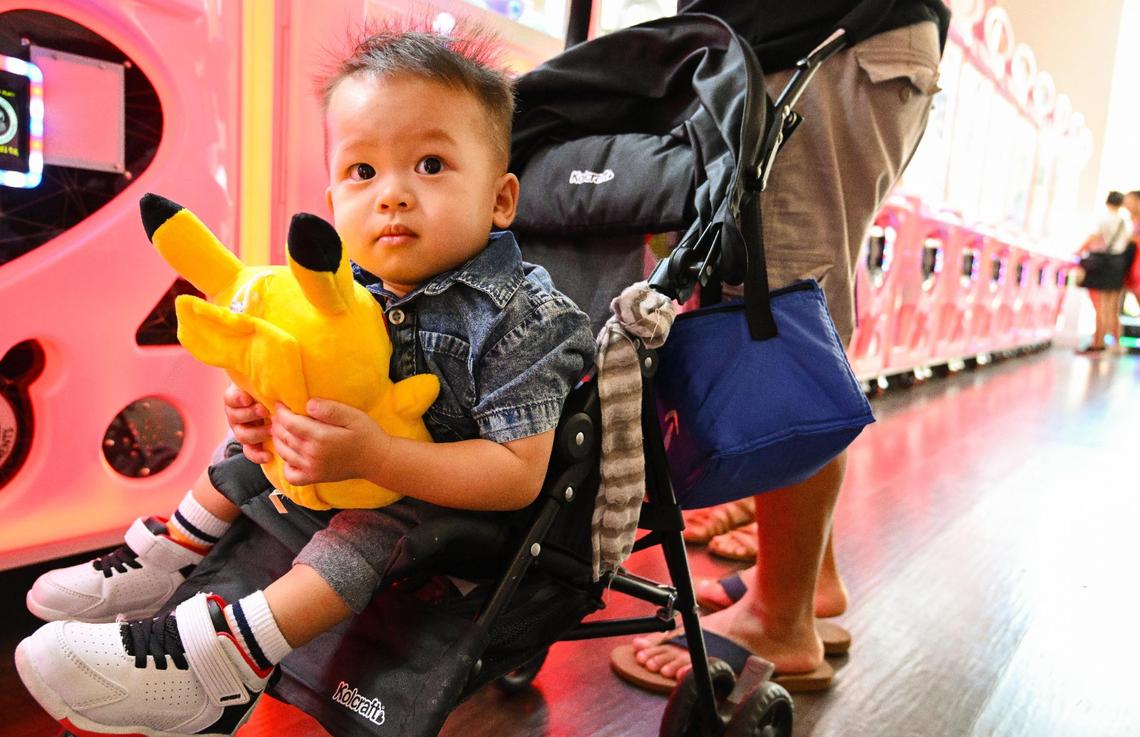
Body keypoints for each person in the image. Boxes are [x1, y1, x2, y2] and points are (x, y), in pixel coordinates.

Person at [15, 26, 594, 737]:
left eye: (432, 164)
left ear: (501, 199)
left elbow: (515, 475)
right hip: (337, 469)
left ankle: (221, 663)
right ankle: (170, 553)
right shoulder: (341, 290)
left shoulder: (524, 317)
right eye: (362, 173)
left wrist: (376, 456)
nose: (393, 196)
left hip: (450, 506)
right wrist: (259, 413)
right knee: (246, 436)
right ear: (330, 196)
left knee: (373, 524)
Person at [613, 0, 950, 692]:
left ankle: (780, 622)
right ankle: (806, 581)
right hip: (836, 34)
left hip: (824, 32)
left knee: (781, 319)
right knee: (796, 300)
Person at [1076, 190, 1131, 354]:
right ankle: (1116, 343)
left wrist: (1078, 251)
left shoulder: (1104, 218)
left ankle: (1098, 342)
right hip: (1119, 263)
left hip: (1105, 263)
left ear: (1107, 202)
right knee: (1114, 306)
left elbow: (1094, 237)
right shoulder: (1124, 222)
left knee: (1101, 305)